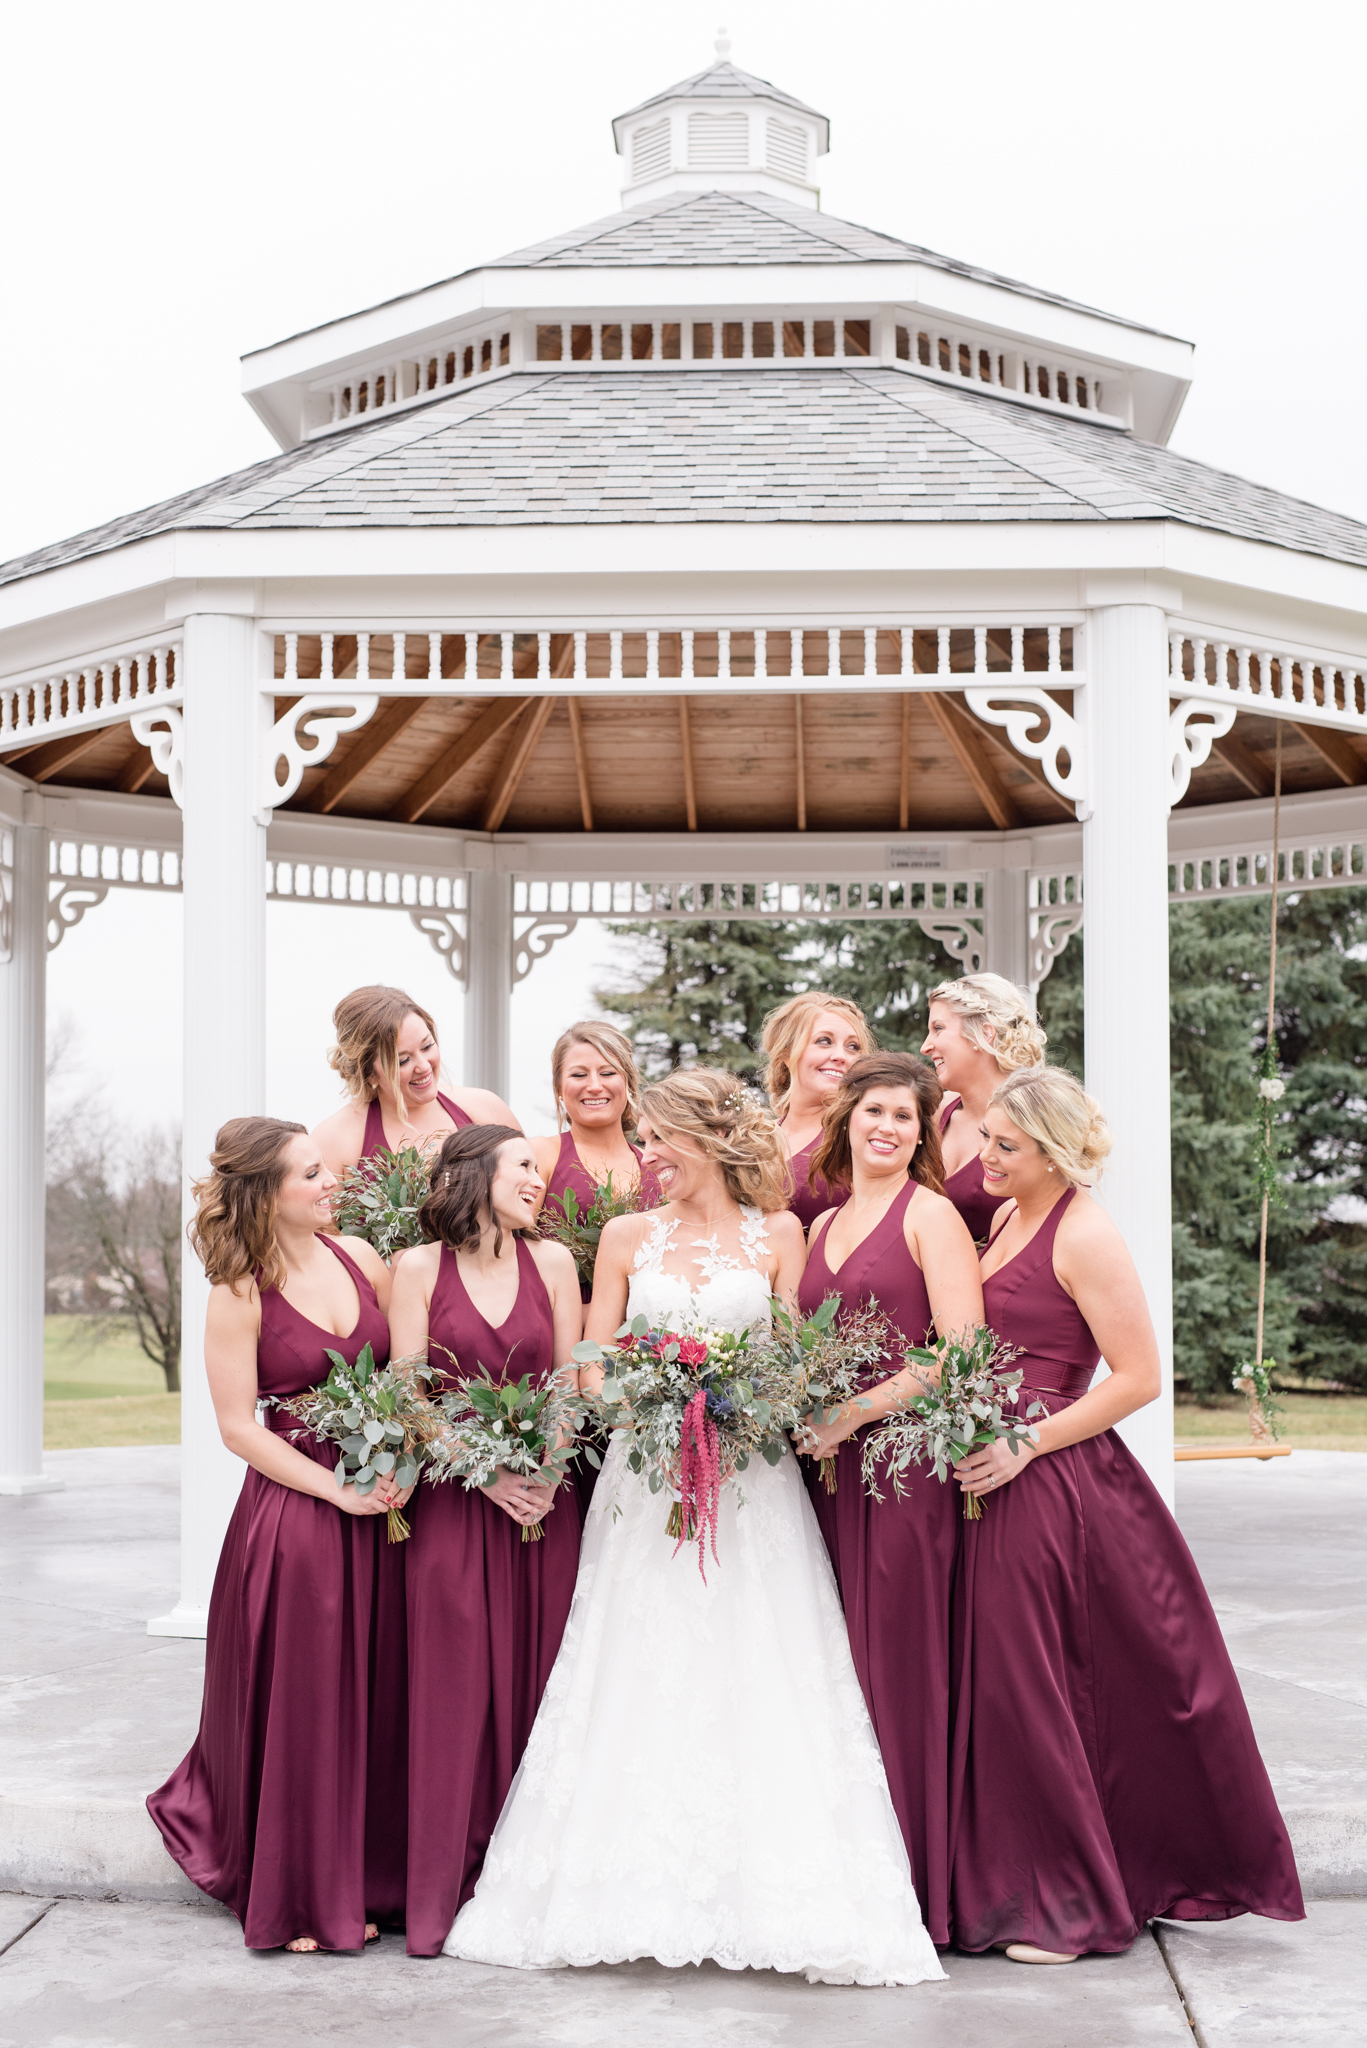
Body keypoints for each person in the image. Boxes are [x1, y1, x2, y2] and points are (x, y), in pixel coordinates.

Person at [445, 1069, 944, 1987]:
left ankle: (775, 1891)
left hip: (751, 1485)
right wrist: (657, 1398)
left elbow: (795, 1358)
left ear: (704, 1142)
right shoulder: (627, 1236)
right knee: (635, 1662)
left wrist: (735, 1402)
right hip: (646, 1487)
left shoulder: (781, 1234)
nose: (646, 1158)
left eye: (659, 1141)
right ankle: (617, 1888)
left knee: (760, 1658)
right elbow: (591, 1360)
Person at [948, 1066, 1304, 1962]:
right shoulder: (1003, 1218)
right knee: (1015, 1686)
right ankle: (1032, 1879)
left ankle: (1069, 1908)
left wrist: (1026, 1441)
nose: (984, 1156)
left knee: (1035, 1687)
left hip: (1049, 1477)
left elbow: (1140, 1379)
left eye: (1005, 1145)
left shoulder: (1085, 1233)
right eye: (987, 1137)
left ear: (1055, 1152)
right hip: (989, 1471)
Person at [147, 1118, 406, 1953]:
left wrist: (397, 1460)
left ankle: (370, 1878)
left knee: (376, 1694)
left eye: (326, 1170)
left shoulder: (361, 1258)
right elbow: (237, 1428)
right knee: (310, 1699)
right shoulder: (239, 1290)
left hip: (386, 1501)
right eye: (311, 1175)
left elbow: (409, 1373)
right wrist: (335, 1490)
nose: (331, 1183)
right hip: (299, 1514)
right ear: (267, 1194)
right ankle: (296, 1893)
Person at [793, 1052, 984, 1947]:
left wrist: (850, 1415)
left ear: (922, 1132)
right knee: (834, 1670)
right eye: (872, 1112)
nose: (886, 1128)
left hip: (900, 1472)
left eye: (904, 1117)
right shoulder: (824, 1221)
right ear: (846, 1122)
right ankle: (844, 1868)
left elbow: (957, 1350)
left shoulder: (932, 1215)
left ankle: (913, 1887)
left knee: (895, 1665)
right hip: (822, 1471)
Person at [387, 1124, 583, 1957]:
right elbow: (409, 1396)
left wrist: (545, 1466)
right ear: (475, 1174)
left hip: (549, 1504)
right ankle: (442, 1889)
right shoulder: (417, 1269)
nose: (540, 1178)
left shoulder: (556, 1263)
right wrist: (488, 1476)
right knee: (453, 1690)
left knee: (545, 1688)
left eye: (540, 1166)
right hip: (455, 1509)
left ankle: (530, 1886)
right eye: (525, 1166)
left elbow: (575, 1376)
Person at [313, 985, 517, 1177]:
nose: (424, 1066)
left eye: (427, 1046)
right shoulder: (334, 1139)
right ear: (370, 1073)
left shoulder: (486, 1108)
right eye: (403, 1060)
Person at [530, 1019, 661, 1302]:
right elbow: (512, 1259)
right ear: (558, 1088)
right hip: (560, 1326)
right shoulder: (541, 1155)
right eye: (579, 1075)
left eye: (607, 1072)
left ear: (627, 1082)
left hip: (650, 1334)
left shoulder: (657, 1163)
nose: (594, 1085)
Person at [919, 973, 1046, 1240]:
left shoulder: (1037, 1121)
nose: (925, 1047)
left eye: (938, 1029)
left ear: (985, 1034)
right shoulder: (933, 1113)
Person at [761, 993, 874, 1229]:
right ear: (786, 1054)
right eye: (824, 1041)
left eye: (853, 1047)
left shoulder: (859, 1133)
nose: (840, 1056)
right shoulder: (756, 1137)